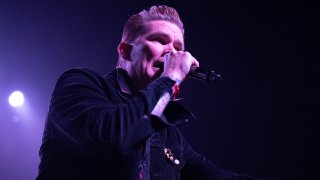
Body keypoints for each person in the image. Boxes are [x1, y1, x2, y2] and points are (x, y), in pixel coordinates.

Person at [37, 5, 266, 180]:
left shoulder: (169, 137)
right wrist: (170, 77)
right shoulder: (80, 84)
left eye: (179, 47)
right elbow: (112, 138)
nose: (172, 52)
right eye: (160, 40)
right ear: (125, 51)